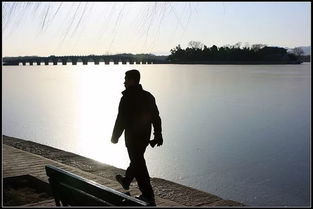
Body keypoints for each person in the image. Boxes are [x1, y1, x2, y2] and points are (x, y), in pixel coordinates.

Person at [111, 69, 163, 206]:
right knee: (137, 160)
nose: (124, 82)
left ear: (133, 80)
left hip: (132, 139)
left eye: (126, 79)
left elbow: (120, 119)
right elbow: (156, 118)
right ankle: (127, 181)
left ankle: (148, 195)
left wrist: (115, 136)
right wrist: (158, 135)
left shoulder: (126, 98)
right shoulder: (148, 96)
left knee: (139, 164)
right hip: (144, 137)